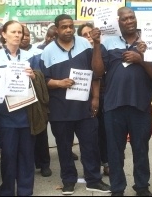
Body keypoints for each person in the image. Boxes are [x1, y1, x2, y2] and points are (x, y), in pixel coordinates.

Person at [40, 14, 110, 195]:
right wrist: (59, 83)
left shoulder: (84, 44)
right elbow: (43, 81)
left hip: (84, 107)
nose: (68, 30)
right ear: (56, 29)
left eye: (71, 26)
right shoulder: (47, 51)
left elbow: (95, 73)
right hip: (60, 109)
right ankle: (68, 181)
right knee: (64, 147)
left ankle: (93, 180)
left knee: (90, 145)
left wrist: (95, 98)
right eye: (64, 27)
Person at [91, 7, 152, 196]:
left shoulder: (148, 41)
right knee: (114, 151)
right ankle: (117, 188)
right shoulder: (108, 43)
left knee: (141, 150)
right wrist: (96, 44)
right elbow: (97, 72)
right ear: (118, 22)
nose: (129, 21)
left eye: (132, 17)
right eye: (125, 18)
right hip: (114, 106)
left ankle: (142, 187)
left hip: (140, 106)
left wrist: (141, 58)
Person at [0, 20, 37, 196]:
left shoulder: (31, 57)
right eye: (13, 32)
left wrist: (34, 75)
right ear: (3, 34)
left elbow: (41, 82)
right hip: (5, 116)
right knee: (8, 156)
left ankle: (25, 191)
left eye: (20, 32)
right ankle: (7, 190)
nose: (17, 35)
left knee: (27, 155)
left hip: (27, 114)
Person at [19, 25, 52, 177]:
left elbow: (44, 74)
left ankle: (44, 163)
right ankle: (29, 162)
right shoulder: (10, 55)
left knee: (41, 133)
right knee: (26, 135)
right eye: (21, 34)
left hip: (37, 99)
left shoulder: (39, 53)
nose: (24, 37)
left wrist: (35, 76)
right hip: (18, 98)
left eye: (27, 34)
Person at [77, 22, 109, 176]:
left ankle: (107, 162)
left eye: (91, 32)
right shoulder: (79, 52)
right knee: (90, 135)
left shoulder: (103, 49)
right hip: (85, 96)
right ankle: (92, 166)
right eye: (84, 34)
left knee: (105, 131)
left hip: (105, 95)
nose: (89, 36)